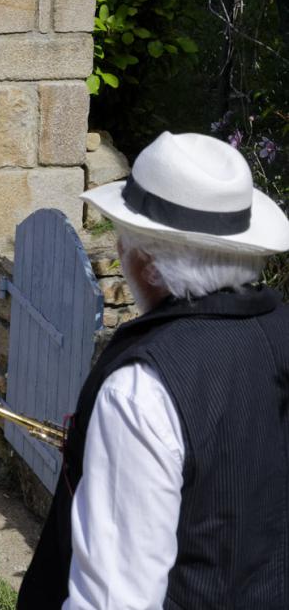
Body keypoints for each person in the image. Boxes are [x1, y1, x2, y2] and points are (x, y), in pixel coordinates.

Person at [18, 132, 289, 609]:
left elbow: (113, 599)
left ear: (145, 262)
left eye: (124, 238)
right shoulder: (278, 328)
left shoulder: (142, 389)